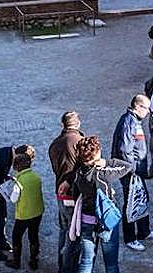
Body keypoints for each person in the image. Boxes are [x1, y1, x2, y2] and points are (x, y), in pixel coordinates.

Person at [71, 135, 133, 273]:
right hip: (106, 221)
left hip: (87, 220)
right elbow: (127, 166)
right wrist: (106, 162)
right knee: (111, 264)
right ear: (95, 155)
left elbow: (75, 194)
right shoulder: (102, 173)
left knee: (86, 261)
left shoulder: (78, 172)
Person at [110, 94, 153, 251]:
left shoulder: (134, 121)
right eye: (146, 108)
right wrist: (133, 170)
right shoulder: (129, 122)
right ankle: (130, 237)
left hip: (136, 171)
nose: (148, 112)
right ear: (138, 107)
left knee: (142, 198)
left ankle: (144, 231)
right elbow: (125, 150)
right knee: (131, 203)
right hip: (131, 172)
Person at [48, 111, 84, 273]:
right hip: (74, 194)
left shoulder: (55, 144)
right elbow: (85, 169)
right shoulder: (80, 142)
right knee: (74, 232)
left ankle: (62, 264)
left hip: (60, 193)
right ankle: (69, 268)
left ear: (63, 125)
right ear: (78, 123)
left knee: (64, 229)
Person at [6, 150, 44, 270]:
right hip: (37, 212)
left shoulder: (19, 182)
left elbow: (13, 199)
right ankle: (34, 261)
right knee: (34, 236)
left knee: (16, 237)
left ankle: (16, 262)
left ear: (16, 167)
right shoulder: (36, 177)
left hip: (24, 215)